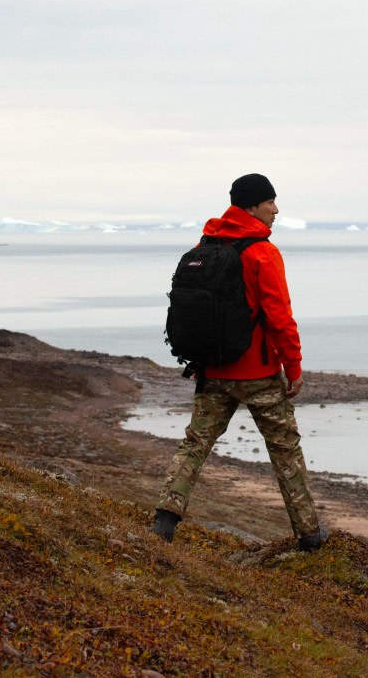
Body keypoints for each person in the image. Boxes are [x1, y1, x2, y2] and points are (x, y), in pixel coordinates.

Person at [150, 173, 329, 551]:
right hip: (259, 374)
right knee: (285, 451)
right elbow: (279, 317)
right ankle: (310, 535)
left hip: (212, 369)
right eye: (270, 202)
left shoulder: (206, 244)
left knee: (195, 444)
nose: (276, 209)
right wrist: (293, 369)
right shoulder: (262, 252)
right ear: (252, 206)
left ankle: (165, 519)